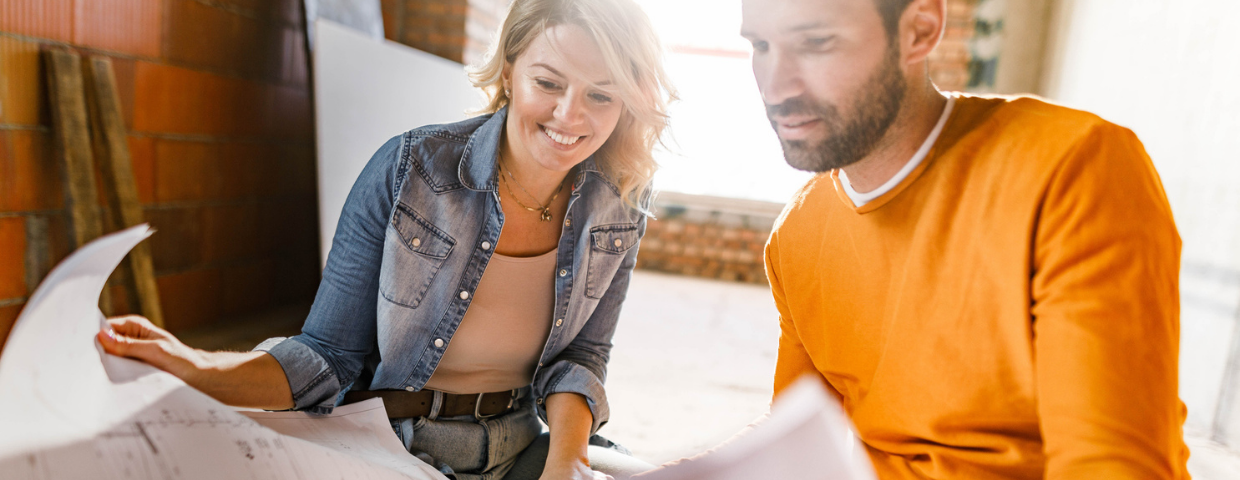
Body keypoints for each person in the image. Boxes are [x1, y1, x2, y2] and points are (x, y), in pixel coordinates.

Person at [96, 0, 675, 478]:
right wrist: (191, 366)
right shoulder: (411, 170)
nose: (569, 115)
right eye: (548, 82)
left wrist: (565, 465)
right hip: (392, 449)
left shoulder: (619, 205)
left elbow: (582, 358)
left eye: (601, 94)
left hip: (522, 447)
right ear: (509, 73)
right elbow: (327, 357)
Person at [742, 0, 1189, 478]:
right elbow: (794, 453)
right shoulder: (799, 232)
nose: (776, 86)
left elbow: (1110, 467)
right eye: (761, 46)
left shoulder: (1075, 169)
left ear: (920, 30)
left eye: (815, 44)